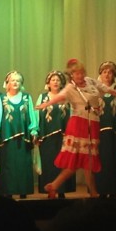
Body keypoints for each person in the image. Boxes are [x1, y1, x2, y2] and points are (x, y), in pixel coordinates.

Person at [36, 59, 116, 198]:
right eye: (76, 73)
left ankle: (55, 185)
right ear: (72, 75)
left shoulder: (90, 81)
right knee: (82, 160)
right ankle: (92, 193)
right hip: (78, 124)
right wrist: (46, 104)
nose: (80, 76)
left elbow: (107, 89)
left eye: (81, 73)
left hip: (93, 124)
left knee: (87, 161)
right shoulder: (70, 87)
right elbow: (60, 97)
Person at [0, 71, 38, 198]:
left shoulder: (26, 97)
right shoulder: (2, 98)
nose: (15, 82)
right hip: (6, 137)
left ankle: (23, 190)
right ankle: (8, 191)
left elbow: (31, 115)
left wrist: (34, 130)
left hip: (23, 139)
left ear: (21, 83)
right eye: (13, 80)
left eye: (18, 80)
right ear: (8, 83)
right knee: (8, 165)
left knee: (23, 164)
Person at [35, 70, 74, 198]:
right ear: (48, 83)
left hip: (64, 136)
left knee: (63, 163)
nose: (56, 82)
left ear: (62, 83)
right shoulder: (42, 97)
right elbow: (37, 115)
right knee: (49, 163)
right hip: (47, 137)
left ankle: (62, 190)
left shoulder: (67, 97)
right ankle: (50, 190)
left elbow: (73, 114)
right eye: (53, 80)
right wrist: (36, 132)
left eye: (58, 80)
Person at [95, 61, 116, 199]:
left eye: (110, 72)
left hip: (115, 132)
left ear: (114, 75)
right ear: (100, 74)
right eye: (104, 72)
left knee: (114, 160)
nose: (107, 75)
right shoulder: (95, 91)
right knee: (101, 160)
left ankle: (113, 191)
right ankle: (101, 190)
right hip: (99, 132)